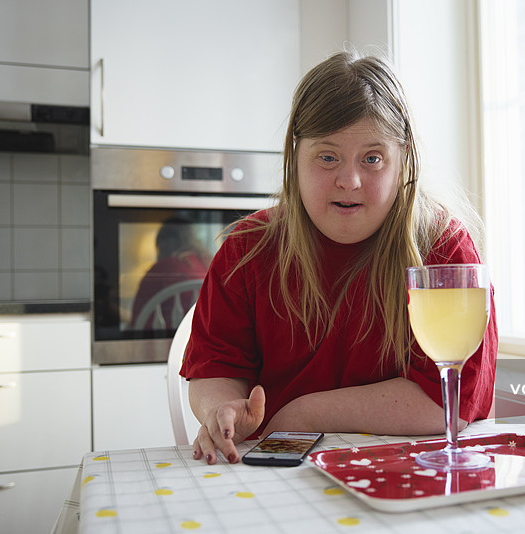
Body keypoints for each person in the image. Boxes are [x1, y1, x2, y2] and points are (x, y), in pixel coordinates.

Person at [182, 51, 498, 465]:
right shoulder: (247, 249)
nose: (349, 181)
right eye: (327, 157)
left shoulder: (443, 248)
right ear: (295, 157)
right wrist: (220, 408)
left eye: (373, 159)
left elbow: (448, 399)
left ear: (403, 160)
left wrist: (303, 413)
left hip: (405, 472)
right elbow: (216, 368)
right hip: (272, 473)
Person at [131, 220, 210, 331]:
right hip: (202, 336)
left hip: (161, 339)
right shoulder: (207, 264)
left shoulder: (159, 269)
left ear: (162, 243)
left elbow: (138, 319)